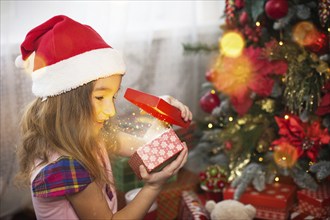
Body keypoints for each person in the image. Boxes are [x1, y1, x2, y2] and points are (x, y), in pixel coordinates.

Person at [15, 15, 192, 219]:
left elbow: (145, 146)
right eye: (100, 97)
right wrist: (153, 186)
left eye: (113, 97)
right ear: (66, 102)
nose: (111, 111)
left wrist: (162, 111)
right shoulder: (65, 165)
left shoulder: (87, 135)